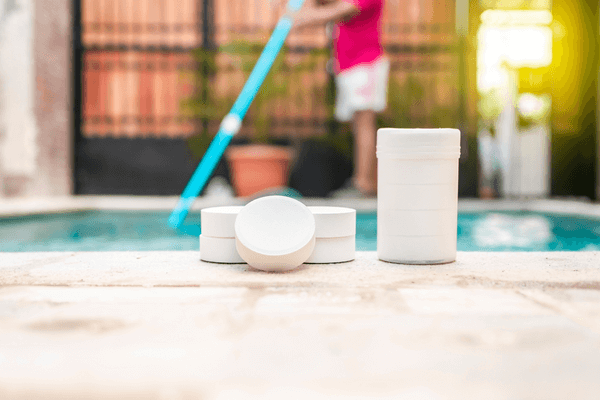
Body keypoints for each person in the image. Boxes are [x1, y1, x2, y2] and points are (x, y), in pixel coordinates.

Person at [294, 0, 388, 197]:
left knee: (364, 122)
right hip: (350, 64)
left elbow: (334, 11)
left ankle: (364, 183)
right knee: (358, 123)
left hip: (366, 63)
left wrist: (299, 18)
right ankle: (362, 180)